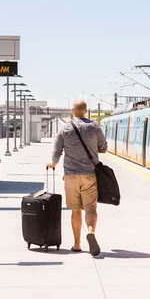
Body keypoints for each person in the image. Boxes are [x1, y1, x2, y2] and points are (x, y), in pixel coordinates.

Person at [47, 100, 107, 256]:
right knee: (91, 208)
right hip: (89, 175)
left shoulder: (65, 129)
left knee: (75, 210)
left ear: (73, 111)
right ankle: (91, 232)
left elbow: (57, 152)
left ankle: (77, 244)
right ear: (86, 111)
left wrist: (53, 163)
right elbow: (104, 147)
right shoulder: (94, 127)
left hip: (71, 175)